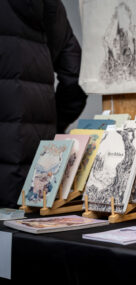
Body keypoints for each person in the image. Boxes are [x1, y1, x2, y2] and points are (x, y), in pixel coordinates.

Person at [0, 0, 86, 207]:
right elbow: (75, 74)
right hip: (35, 150)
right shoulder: (49, 4)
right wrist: (53, 125)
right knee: (25, 229)